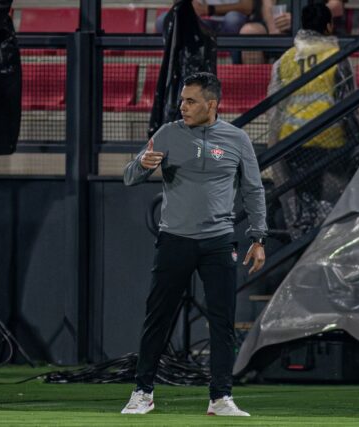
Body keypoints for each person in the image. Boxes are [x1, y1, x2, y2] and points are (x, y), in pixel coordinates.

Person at [121, 72, 267, 416]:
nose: (182, 107)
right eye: (182, 101)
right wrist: (141, 165)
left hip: (219, 242)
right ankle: (143, 393)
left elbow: (253, 189)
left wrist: (258, 237)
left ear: (211, 104)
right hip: (174, 240)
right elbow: (129, 177)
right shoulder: (167, 133)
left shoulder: (237, 139)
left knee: (222, 321)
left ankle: (221, 398)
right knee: (157, 319)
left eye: (190, 101)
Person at [267, 3, 359, 236]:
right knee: (333, 204)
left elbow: (276, 110)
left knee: (305, 205)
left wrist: (276, 146)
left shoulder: (285, 60)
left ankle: (302, 246)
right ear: (328, 26)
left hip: (294, 141)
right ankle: (327, 244)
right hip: (330, 141)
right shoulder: (337, 56)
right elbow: (348, 105)